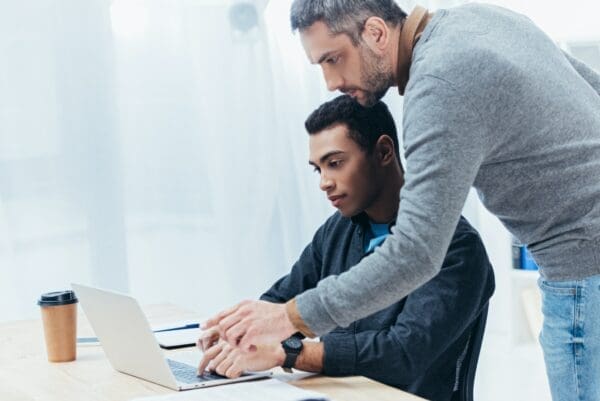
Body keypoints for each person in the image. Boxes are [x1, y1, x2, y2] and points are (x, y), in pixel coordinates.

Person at [205, 2, 600, 400]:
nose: (329, 82)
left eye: (333, 58)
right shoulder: (483, 20)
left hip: (585, 261)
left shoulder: (439, 83)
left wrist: (290, 320)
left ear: (376, 33)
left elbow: (417, 251)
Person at [198, 95, 494, 401]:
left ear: (383, 152)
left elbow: (402, 354)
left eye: (335, 163)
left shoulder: (456, 247)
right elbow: (283, 301)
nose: (324, 182)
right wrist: (239, 334)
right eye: (318, 169)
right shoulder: (339, 229)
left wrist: (286, 353)